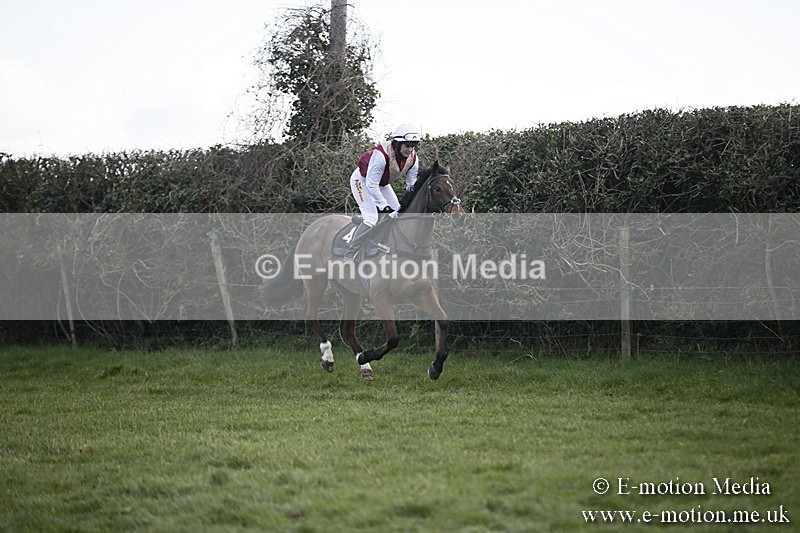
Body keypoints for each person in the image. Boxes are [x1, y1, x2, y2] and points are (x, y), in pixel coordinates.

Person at [343, 123, 421, 261]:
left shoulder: (413, 158)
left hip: (382, 183)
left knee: (397, 212)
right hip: (362, 180)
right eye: (407, 145)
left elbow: (411, 185)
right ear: (397, 144)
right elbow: (371, 184)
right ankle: (350, 253)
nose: (410, 150)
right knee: (371, 218)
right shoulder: (381, 155)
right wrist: (383, 205)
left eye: (413, 146)